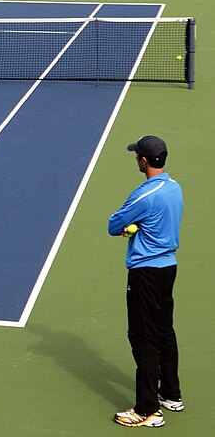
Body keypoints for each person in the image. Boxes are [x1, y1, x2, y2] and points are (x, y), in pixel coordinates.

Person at [108, 136, 184, 428]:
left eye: (136, 155)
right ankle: (171, 394)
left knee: (143, 338)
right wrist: (141, 226)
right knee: (165, 331)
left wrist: (131, 227)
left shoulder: (144, 194)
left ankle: (147, 409)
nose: (135, 159)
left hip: (145, 274)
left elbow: (114, 225)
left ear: (143, 161)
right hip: (167, 270)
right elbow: (157, 220)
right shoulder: (174, 188)